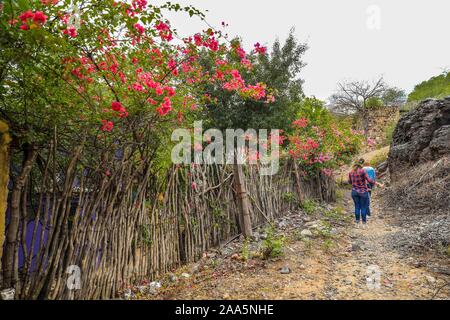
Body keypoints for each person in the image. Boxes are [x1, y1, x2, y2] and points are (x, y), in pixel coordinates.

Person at [348, 160, 375, 228]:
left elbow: (349, 182)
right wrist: (375, 183)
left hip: (354, 192)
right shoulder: (363, 171)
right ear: (361, 166)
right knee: (363, 207)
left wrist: (355, 183)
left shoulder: (351, 172)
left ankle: (357, 224)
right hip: (363, 192)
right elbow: (369, 180)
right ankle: (364, 224)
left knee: (357, 207)